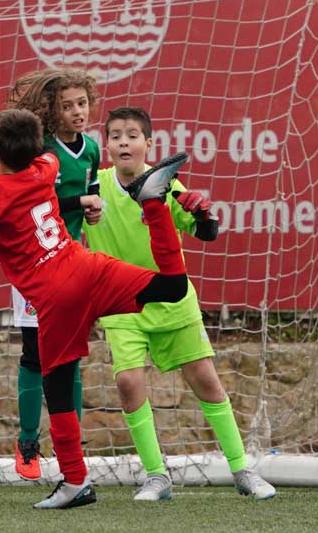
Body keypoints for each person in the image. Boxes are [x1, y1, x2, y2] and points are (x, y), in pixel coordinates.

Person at [0, 108, 189, 508]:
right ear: (37, 148)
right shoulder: (48, 166)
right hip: (86, 266)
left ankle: (75, 481)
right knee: (172, 287)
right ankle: (154, 203)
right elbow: (47, 155)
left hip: (56, 295)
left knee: (58, 384)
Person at [81, 107, 275, 501]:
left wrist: (201, 213)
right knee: (128, 382)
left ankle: (241, 469)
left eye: (132, 135)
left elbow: (207, 233)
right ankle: (156, 475)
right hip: (122, 301)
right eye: (115, 135)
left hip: (173, 299)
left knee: (205, 379)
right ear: (106, 145)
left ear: (148, 144)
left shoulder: (165, 184)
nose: (123, 141)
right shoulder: (94, 188)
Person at [0, 68, 102, 480]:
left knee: (71, 356)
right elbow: (39, 194)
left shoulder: (91, 148)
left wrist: (94, 206)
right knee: (35, 356)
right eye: (67, 105)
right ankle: (26, 442)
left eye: (82, 104)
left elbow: (88, 196)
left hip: (72, 262)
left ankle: (69, 443)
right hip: (36, 270)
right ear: (50, 112)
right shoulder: (41, 151)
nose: (77, 112)